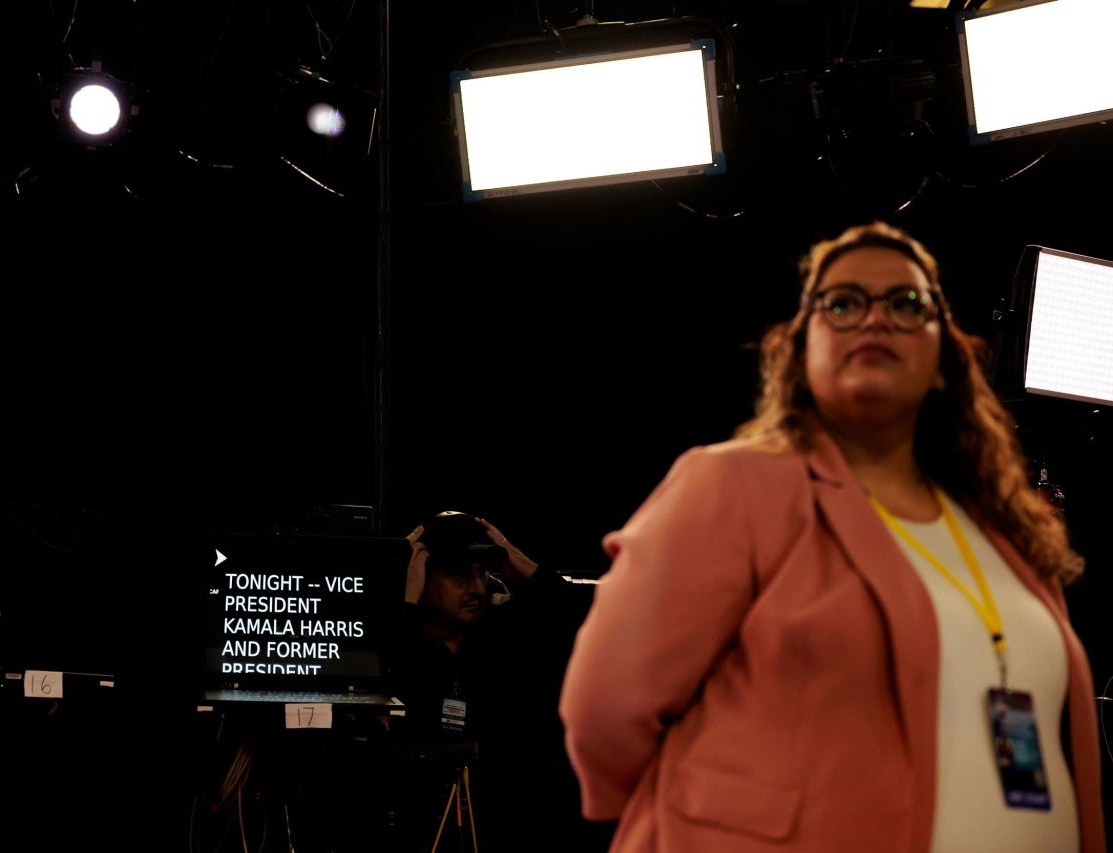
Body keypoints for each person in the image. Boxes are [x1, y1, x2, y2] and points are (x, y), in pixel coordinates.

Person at [558, 221, 1104, 853]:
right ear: (800, 352)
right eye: (842, 303)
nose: (874, 319)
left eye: (907, 304)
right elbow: (605, 709)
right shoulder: (732, 485)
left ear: (943, 362)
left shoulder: (1006, 526)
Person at [385, 510, 608, 851]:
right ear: (419, 577)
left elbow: (597, 622)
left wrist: (522, 565)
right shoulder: (399, 644)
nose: (475, 587)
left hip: (512, 827)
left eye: (480, 574)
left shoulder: (508, 638)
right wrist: (404, 603)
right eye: (458, 575)